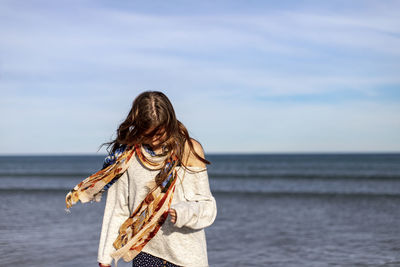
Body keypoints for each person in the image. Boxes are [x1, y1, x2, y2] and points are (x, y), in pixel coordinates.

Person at [95, 91, 217, 267]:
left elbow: (207, 206)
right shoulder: (128, 155)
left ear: (170, 123)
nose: (154, 140)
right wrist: (105, 257)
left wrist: (184, 212)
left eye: (159, 133)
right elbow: (118, 208)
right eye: (148, 134)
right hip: (146, 253)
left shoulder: (188, 149)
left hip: (186, 257)